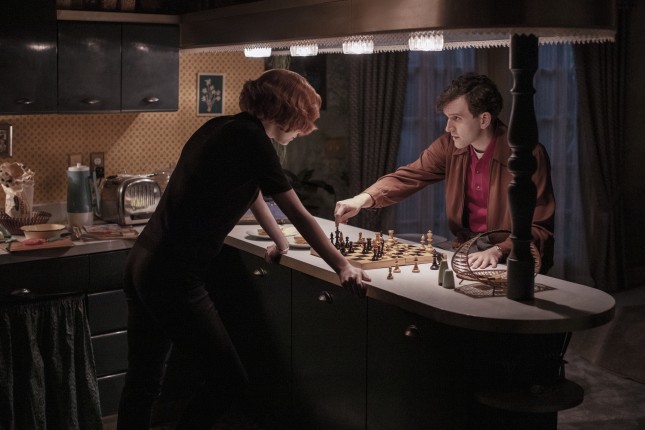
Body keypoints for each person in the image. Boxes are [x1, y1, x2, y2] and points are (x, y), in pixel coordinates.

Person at [117, 69, 371, 430]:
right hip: (174, 275)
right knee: (228, 382)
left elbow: (252, 192)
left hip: (143, 261)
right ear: (287, 112)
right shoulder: (253, 139)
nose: (301, 132)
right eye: (302, 122)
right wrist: (342, 266)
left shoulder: (222, 127)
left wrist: (280, 242)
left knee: (143, 380)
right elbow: (298, 213)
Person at [334, 73, 555, 273]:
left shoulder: (528, 154)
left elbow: (539, 228)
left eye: (456, 118)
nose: (448, 128)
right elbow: (409, 175)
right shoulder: (449, 145)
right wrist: (361, 199)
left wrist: (498, 250)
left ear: (484, 119)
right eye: (448, 118)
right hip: (466, 251)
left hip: (514, 258)